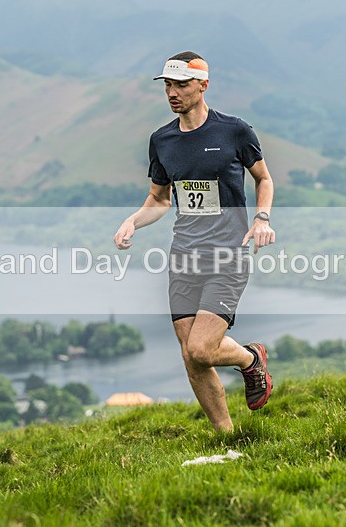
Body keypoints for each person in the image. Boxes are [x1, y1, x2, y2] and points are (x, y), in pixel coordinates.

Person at [113, 51, 275, 432]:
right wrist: (133, 221)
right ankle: (225, 437)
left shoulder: (235, 131)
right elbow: (159, 199)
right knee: (190, 357)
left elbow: (263, 179)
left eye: (181, 84)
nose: (173, 92)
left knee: (202, 348)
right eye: (168, 85)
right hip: (184, 257)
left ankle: (250, 359)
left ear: (203, 85)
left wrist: (262, 218)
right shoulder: (162, 140)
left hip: (228, 255)